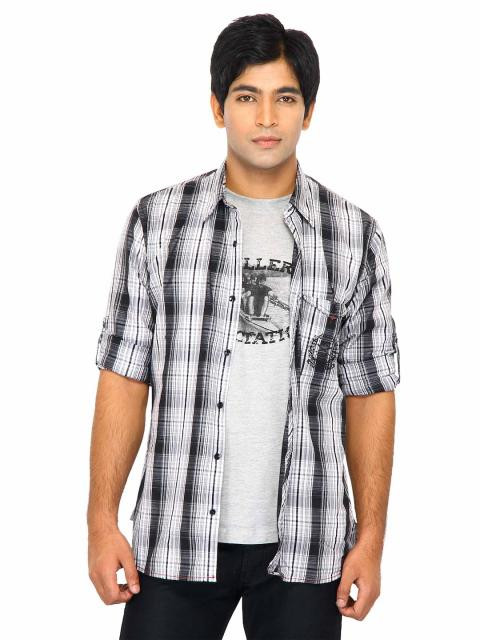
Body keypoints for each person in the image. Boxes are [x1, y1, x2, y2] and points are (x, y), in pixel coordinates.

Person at [87, 13, 401, 640]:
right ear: (217, 107)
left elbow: (370, 391)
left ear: (308, 112)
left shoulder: (354, 236)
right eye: (246, 97)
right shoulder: (159, 223)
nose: (265, 118)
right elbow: (124, 374)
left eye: (285, 98)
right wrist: (101, 521)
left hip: (306, 542)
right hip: (175, 536)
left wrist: (371, 541)